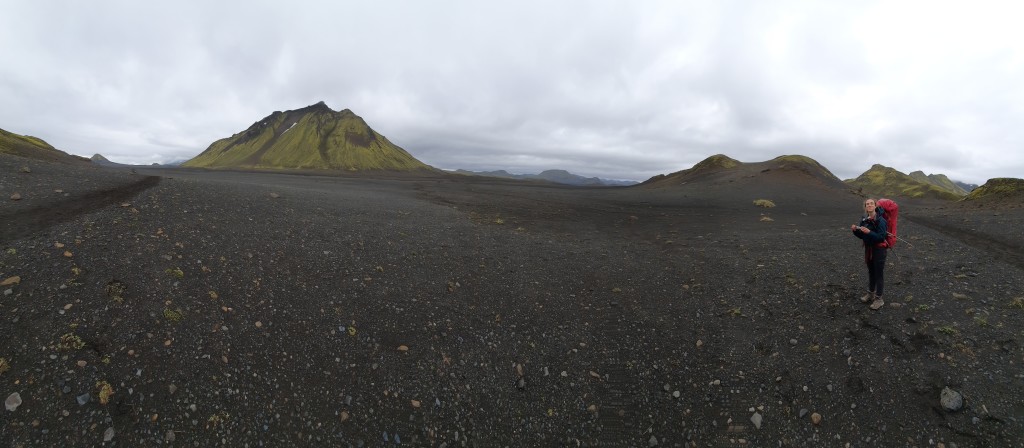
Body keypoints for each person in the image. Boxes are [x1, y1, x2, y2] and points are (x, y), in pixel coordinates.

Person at [851, 198, 888, 310]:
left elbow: (882, 237)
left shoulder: (881, 220)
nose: (869, 205)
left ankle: (879, 299)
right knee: (871, 272)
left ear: (875, 206)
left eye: (871, 203)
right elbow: (863, 236)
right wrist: (855, 231)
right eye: (867, 204)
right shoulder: (864, 220)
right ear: (865, 207)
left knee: (879, 274)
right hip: (869, 250)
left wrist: (869, 232)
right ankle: (871, 294)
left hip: (879, 251)